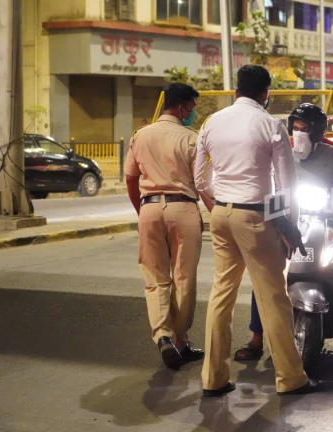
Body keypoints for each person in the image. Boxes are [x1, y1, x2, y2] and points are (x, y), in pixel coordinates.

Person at [194, 65, 318, 397]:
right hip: (256, 218)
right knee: (273, 299)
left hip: (220, 215)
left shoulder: (212, 122)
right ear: (265, 93)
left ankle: (213, 378)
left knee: (221, 294)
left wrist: (221, 204)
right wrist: (287, 226)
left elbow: (199, 180)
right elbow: (285, 184)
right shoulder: (269, 124)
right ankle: (291, 378)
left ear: (237, 90)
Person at [234, 103, 333, 366]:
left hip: (326, 220)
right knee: (266, 274)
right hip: (289, 221)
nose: (298, 133)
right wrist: (274, 217)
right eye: (295, 128)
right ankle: (256, 339)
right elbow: (272, 188)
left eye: (305, 129)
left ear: (317, 132)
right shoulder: (281, 153)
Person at [124, 82, 210, 370]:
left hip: (149, 207)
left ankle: (162, 336)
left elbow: (130, 178)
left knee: (155, 278)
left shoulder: (141, 135)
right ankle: (181, 341)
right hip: (183, 207)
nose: (192, 114)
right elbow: (202, 182)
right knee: (184, 278)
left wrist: (143, 210)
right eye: (192, 109)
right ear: (182, 107)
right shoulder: (191, 138)